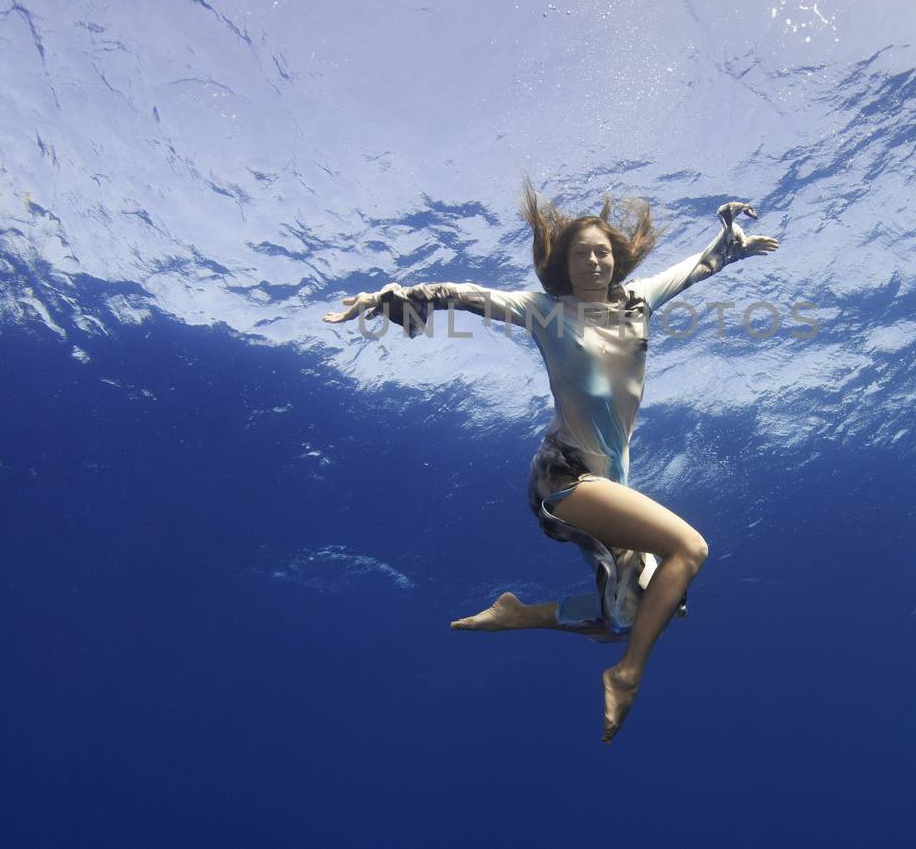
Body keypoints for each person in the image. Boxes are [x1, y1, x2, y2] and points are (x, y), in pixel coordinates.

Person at [323, 178, 779, 741]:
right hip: (563, 475)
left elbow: (699, 266)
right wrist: (387, 299)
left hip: (612, 479)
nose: (594, 260)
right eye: (582, 252)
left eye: (603, 252)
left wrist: (728, 241)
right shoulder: (546, 311)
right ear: (563, 263)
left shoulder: (639, 300)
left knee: (633, 612)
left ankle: (519, 614)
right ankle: (627, 676)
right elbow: (467, 295)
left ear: (616, 260)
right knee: (689, 549)